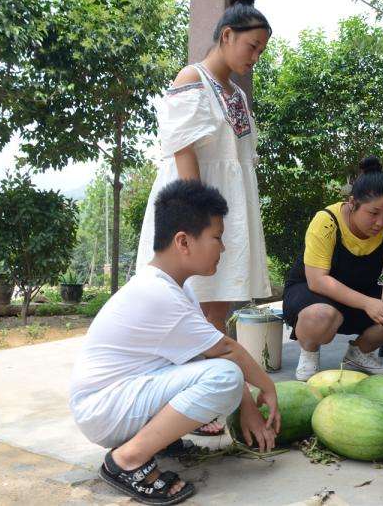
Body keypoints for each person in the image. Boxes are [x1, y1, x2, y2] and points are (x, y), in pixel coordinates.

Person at [69, 180, 280, 505]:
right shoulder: (159, 293)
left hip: (115, 401)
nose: (222, 248)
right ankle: (127, 460)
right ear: (183, 241)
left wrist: (248, 408)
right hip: (104, 410)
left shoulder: (175, 288)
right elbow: (227, 351)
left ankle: (154, 440)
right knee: (224, 377)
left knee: (216, 371)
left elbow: (206, 354)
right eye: (216, 238)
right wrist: (268, 387)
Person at [137, 0, 271, 333]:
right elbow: (184, 153)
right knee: (188, 303)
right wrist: (198, 220)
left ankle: (218, 376)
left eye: (261, 52)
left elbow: (239, 159)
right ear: (227, 35)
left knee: (217, 307)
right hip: (198, 207)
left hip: (230, 206)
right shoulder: (191, 78)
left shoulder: (237, 94)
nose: (255, 58)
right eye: (251, 46)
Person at [283, 157, 383, 381]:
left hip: (359, 293)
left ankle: (359, 352)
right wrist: (368, 303)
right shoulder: (327, 221)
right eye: (373, 213)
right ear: (353, 204)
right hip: (312, 294)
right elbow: (317, 280)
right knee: (321, 315)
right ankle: (309, 352)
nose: (381, 222)